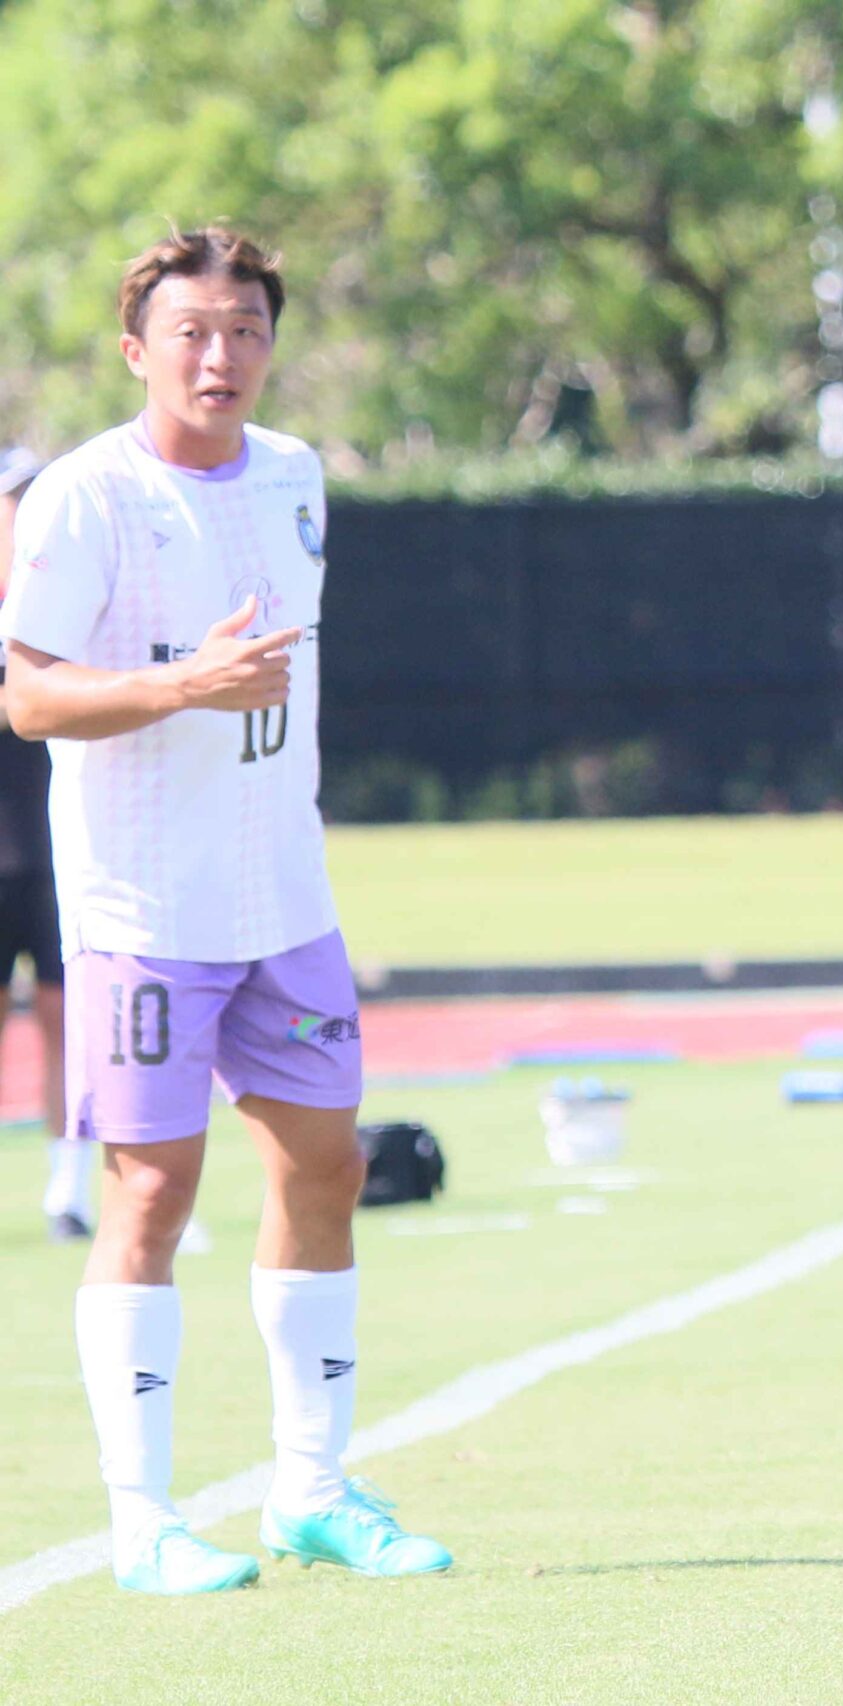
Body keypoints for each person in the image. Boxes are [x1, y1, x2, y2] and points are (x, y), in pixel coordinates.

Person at [1, 228, 449, 1594]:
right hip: (143, 904)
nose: (221, 356)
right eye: (191, 332)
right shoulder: (84, 495)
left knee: (328, 1166)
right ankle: (142, 1519)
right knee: (152, 1188)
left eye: (245, 330)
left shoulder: (298, 474)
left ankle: (309, 1489)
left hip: (285, 898)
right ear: (136, 350)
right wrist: (181, 684)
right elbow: (28, 695)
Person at [0, 447, 77, 1240]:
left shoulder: (66, 605)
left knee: (66, 1018)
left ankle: (70, 1190)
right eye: (11, 501)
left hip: (59, 853)